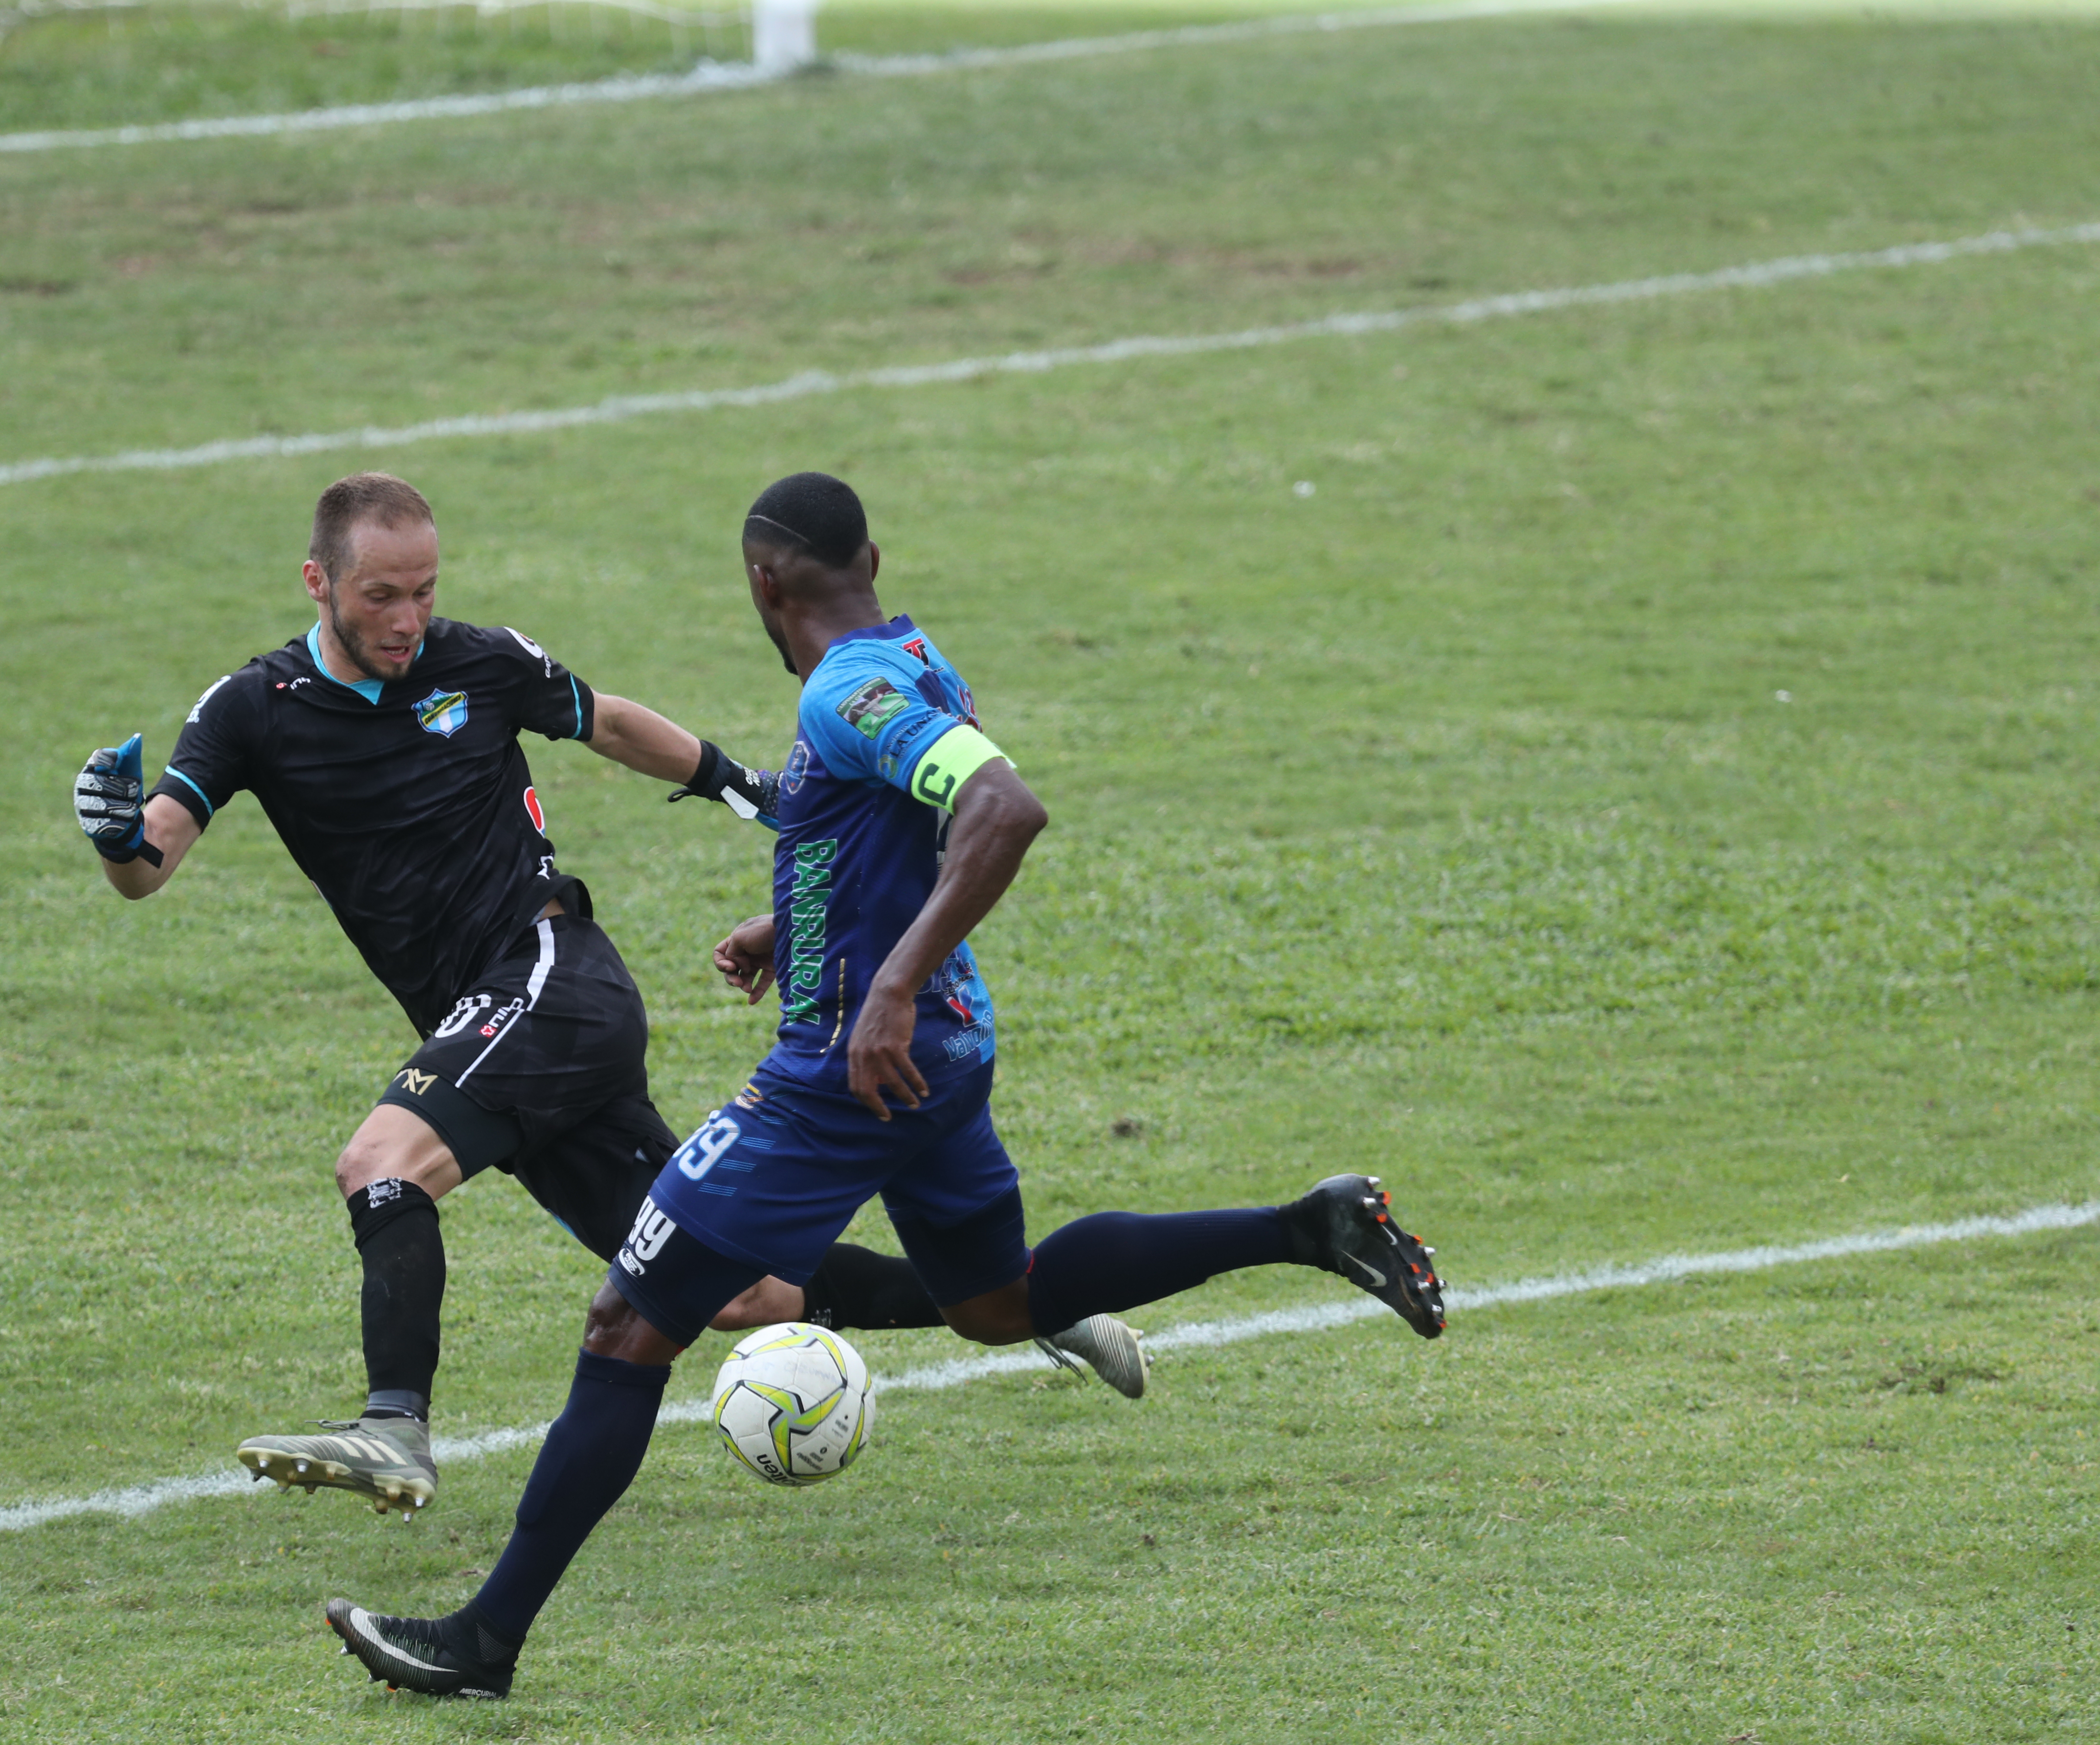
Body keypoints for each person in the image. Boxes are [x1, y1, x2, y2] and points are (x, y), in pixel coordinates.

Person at [321, 472, 1449, 1696]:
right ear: (871, 560)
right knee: (1000, 1304)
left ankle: (483, 1643)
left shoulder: (842, 690)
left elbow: (1003, 811)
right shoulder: (911, 658)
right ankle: (1306, 1226)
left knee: (626, 1326)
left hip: (842, 1076)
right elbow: (901, 829)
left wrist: (891, 984)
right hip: (939, 1058)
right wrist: (797, 924)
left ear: (764, 582)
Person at [70, 473, 1137, 1520]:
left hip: (549, 979)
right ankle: (1028, 1302)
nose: (408, 621)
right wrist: (117, 835)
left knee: (380, 1162)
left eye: (425, 591)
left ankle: (394, 1424)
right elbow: (148, 866)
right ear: (319, 582)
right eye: (381, 596)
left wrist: (747, 788)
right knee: (735, 1292)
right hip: (488, 1027)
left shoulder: (479, 662)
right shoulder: (253, 709)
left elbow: (609, 722)